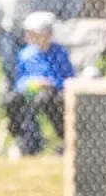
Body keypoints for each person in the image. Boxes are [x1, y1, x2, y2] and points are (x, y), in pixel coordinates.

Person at [7, 10, 74, 157]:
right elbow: (20, 80)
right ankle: (26, 139)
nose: (31, 37)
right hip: (29, 91)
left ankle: (66, 140)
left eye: (37, 34)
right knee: (11, 100)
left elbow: (68, 79)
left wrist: (49, 83)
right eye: (30, 34)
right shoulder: (26, 54)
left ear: (48, 34)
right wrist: (30, 83)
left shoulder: (59, 53)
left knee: (47, 99)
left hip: (53, 93)